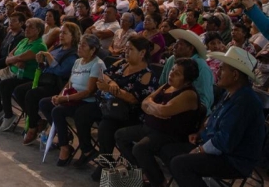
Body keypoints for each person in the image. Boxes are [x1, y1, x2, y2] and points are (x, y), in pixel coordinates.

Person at [168, 47, 266, 187]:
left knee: (180, 165)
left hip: (234, 160)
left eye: (222, 69)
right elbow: (214, 120)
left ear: (235, 75)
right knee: (169, 150)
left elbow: (224, 141)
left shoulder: (245, 102)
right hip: (221, 150)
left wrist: (199, 150)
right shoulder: (230, 93)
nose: (217, 73)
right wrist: (200, 134)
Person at [75, 36, 158, 180]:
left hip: (127, 113)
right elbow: (103, 74)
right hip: (107, 105)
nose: (126, 51)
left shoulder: (146, 75)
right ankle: (87, 149)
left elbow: (135, 99)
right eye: (126, 48)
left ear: (142, 53)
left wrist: (114, 90)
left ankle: (106, 162)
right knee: (82, 114)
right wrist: (111, 83)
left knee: (106, 126)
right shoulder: (123, 63)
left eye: (130, 49)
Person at [115, 59, 202, 187]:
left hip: (168, 134)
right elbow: (145, 103)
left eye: (177, 73)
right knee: (120, 135)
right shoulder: (167, 86)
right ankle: (144, 172)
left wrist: (155, 107)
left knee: (140, 148)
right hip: (150, 127)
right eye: (172, 70)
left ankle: (159, 182)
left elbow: (164, 111)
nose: (171, 74)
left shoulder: (189, 94)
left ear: (187, 79)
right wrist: (156, 108)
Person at [38, 34, 106, 166]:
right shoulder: (77, 62)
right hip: (73, 97)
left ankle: (74, 148)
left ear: (92, 50)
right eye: (79, 43)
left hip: (90, 102)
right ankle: (64, 135)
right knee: (45, 103)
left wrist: (65, 98)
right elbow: (69, 84)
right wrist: (59, 96)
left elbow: (89, 92)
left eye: (83, 45)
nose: (79, 47)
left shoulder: (98, 64)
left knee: (60, 111)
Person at [17, 22, 80, 145]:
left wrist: (49, 58)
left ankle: (33, 127)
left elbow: (61, 72)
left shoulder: (73, 54)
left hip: (57, 85)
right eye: (60, 32)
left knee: (31, 95)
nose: (61, 35)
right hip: (44, 79)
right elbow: (46, 66)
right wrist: (42, 61)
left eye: (65, 33)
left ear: (73, 36)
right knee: (19, 91)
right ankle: (37, 120)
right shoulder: (58, 48)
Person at [0, 18, 48, 130]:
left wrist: (13, 60)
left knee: (4, 85)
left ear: (38, 30)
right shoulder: (24, 41)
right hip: (13, 71)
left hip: (27, 76)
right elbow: (11, 54)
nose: (27, 29)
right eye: (27, 26)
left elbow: (20, 57)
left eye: (31, 27)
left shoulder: (39, 45)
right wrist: (15, 61)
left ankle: (9, 115)